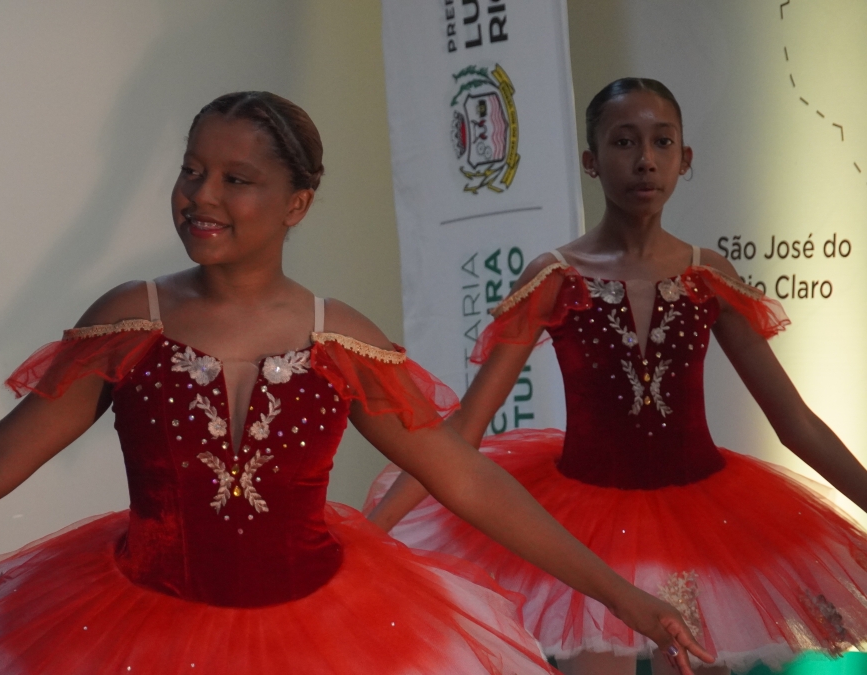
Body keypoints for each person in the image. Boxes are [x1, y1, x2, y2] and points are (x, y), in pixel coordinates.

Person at [0, 91, 710, 674]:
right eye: (191, 171)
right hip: (138, 625)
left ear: (297, 203)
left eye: (235, 179)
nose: (201, 195)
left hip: (324, 633)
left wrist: (622, 597)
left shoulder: (339, 338)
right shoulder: (133, 320)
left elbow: (469, 479)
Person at [366, 78, 867, 675]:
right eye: (624, 142)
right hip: (587, 524)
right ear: (591, 160)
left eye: (662, 142)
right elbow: (465, 429)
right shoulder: (555, 276)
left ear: (685, 158)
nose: (645, 160)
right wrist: (376, 531)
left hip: (707, 520)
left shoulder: (708, 276)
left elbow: (795, 422)